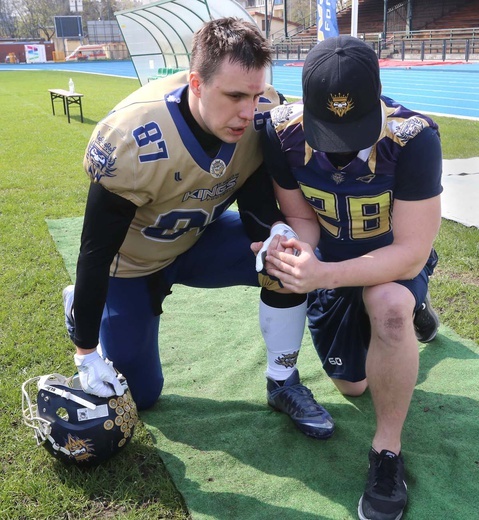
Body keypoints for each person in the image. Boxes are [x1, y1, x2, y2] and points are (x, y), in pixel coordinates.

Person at [62, 17, 334, 440]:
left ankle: (283, 381)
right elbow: (95, 252)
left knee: (288, 259)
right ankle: (77, 305)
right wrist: (84, 352)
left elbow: (257, 203)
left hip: (196, 240)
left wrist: (278, 231)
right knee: (142, 395)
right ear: (196, 83)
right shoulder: (133, 136)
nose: (248, 110)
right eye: (234, 95)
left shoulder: (262, 113)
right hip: (131, 263)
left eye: (256, 94)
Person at [258, 36, 442, 519]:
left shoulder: (415, 137)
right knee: (352, 387)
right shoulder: (280, 131)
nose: (343, 149)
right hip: (334, 259)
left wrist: (326, 273)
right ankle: (412, 307)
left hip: (389, 259)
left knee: (391, 309)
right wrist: (296, 250)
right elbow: (302, 220)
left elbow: (409, 251)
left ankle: (386, 453)